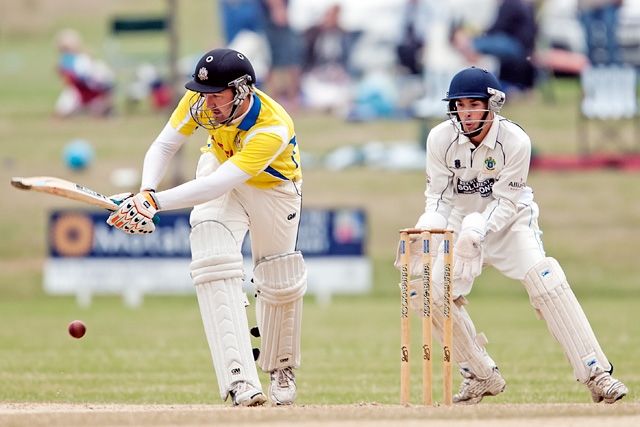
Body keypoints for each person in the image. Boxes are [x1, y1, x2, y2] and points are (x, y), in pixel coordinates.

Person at [397, 67, 628, 404]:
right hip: (461, 224)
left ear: (493, 104)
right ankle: (479, 374)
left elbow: (507, 201)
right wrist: (427, 230)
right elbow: (440, 198)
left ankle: (597, 374)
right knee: (426, 292)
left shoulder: (515, 141)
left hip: (511, 224)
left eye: (473, 104)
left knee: (545, 279)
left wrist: (478, 231)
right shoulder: (439, 139)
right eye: (459, 105)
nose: (466, 113)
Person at [106, 48, 307, 407]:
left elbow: (221, 184)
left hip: (274, 189)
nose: (208, 103)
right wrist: (146, 190)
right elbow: (165, 144)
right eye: (204, 94)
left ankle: (281, 366)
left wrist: (155, 204)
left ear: (242, 91)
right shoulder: (201, 99)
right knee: (209, 242)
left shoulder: (272, 126)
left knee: (278, 277)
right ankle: (240, 379)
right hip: (219, 163)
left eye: (217, 95)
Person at [452, 0, 537, 92]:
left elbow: (497, 28)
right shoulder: (519, 4)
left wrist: (478, 37)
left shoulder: (510, 3)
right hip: (523, 48)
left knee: (474, 45)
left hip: (517, 47)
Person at [54, 28, 114, 118]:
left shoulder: (82, 59)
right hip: (78, 91)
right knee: (61, 112)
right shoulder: (67, 61)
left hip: (91, 91)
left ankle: (105, 109)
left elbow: (95, 79)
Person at [259, 0, 304, 109]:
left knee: (292, 59)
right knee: (270, 60)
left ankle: (290, 100)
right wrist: (278, 9)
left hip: (284, 16)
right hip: (272, 19)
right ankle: (279, 100)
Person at [577, 0, 624, 65]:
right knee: (589, 38)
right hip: (587, 6)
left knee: (610, 36)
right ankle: (590, 65)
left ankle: (613, 65)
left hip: (608, 4)